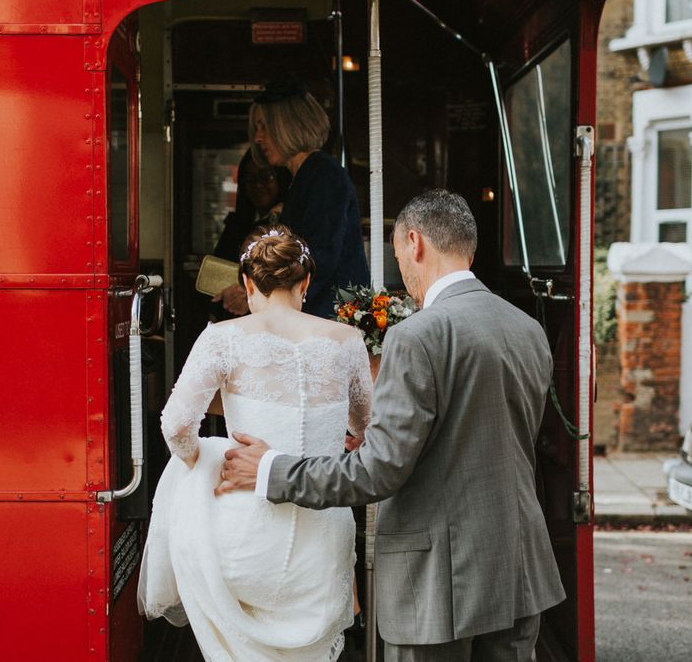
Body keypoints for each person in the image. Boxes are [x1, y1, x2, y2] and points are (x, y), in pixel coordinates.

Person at [218, 189, 566, 661]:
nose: (401, 265)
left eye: (398, 252)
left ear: (415, 243)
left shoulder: (417, 336)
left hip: (439, 586)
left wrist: (270, 470)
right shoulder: (527, 329)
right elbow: (482, 435)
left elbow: (378, 472)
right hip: (520, 572)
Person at [137, 225, 373, 661]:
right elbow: (365, 427)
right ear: (305, 282)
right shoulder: (347, 341)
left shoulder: (222, 339)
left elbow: (176, 425)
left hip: (245, 534)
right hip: (321, 542)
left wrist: (204, 462)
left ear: (247, 284)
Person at [250, 75, 369, 318]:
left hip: (331, 319)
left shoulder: (323, 174)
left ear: (288, 126)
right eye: (256, 128)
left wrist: (272, 301)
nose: (258, 138)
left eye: (264, 127)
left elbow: (320, 258)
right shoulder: (305, 175)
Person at [211, 149, 290, 319]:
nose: (258, 185)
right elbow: (217, 268)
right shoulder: (236, 223)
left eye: (266, 177)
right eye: (250, 179)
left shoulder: (289, 222)